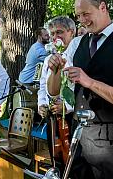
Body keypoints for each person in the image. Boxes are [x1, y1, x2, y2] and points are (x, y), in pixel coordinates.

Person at [47, 0, 113, 179]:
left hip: (111, 140)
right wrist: (55, 70)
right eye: (78, 16)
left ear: (102, 7)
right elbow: (53, 92)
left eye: (86, 14)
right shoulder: (77, 44)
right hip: (79, 135)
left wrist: (89, 82)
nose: (82, 21)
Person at [37, 16, 75, 170]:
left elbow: (79, 90)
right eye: (52, 33)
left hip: (72, 118)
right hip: (53, 118)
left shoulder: (77, 57)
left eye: (59, 32)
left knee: (72, 161)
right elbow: (42, 87)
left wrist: (66, 106)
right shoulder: (48, 60)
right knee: (56, 159)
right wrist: (42, 104)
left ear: (71, 32)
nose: (55, 37)